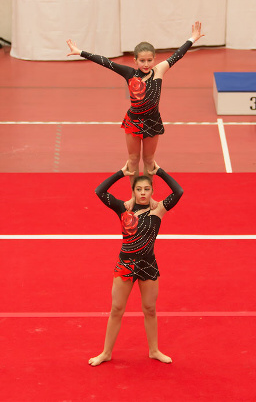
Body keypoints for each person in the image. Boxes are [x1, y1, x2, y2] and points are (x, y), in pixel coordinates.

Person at [66, 21, 204, 209]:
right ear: (135, 61)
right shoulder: (129, 73)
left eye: (149, 60)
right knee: (132, 160)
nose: (146, 64)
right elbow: (105, 62)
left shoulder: (160, 70)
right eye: (142, 61)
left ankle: (148, 198)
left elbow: (177, 55)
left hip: (153, 122)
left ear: (154, 59)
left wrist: (192, 39)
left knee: (149, 161)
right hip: (133, 122)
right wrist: (80, 52)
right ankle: (134, 198)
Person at [88, 161, 184, 366]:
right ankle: (106, 352)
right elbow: (99, 191)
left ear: (151, 191)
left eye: (147, 189)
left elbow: (178, 191)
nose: (143, 192)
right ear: (133, 191)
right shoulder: (123, 208)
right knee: (116, 309)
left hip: (148, 266)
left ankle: (154, 350)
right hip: (125, 264)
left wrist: (159, 171)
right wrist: (121, 173)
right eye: (139, 189)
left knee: (149, 309)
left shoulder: (158, 210)